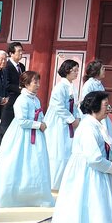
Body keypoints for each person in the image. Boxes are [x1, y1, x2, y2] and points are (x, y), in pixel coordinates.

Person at [41, 91, 112, 223]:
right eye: (105, 104)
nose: (108, 108)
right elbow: (94, 158)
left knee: (98, 215)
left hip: (98, 174)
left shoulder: (98, 125)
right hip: (88, 175)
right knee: (87, 214)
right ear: (94, 107)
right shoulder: (87, 127)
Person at [0, 71, 54, 208]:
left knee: (36, 164)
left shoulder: (35, 99)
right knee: (19, 163)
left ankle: (36, 196)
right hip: (22, 136)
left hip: (36, 135)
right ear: (26, 84)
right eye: (35, 82)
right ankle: (14, 196)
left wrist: (42, 122)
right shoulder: (22, 100)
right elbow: (21, 121)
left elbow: (40, 115)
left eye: (38, 82)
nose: (38, 85)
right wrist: (38, 125)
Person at [46, 59, 81, 190]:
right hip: (59, 122)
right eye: (74, 70)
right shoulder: (60, 87)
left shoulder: (71, 86)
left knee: (68, 149)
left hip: (69, 121)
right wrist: (71, 119)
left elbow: (75, 105)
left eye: (77, 70)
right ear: (67, 71)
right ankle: (54, 181)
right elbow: (58, 106)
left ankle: (65, 180)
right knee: (58, 150)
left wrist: (77, 117)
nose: (77, 73)